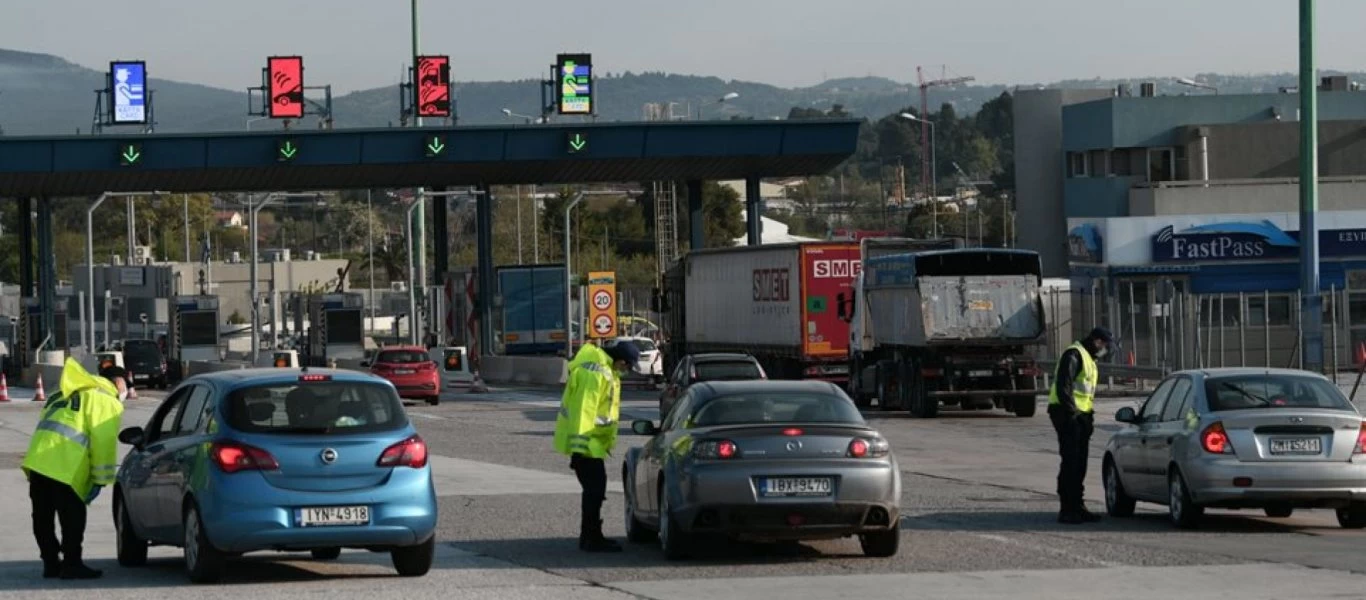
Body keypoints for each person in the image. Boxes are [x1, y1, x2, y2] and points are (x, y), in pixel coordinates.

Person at [23, 358, 126, 579]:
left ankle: (50, 563)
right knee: (72, 518)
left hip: (38, 461)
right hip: (66, 465)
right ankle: (72, 563)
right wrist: (100, 479)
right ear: (118, 383)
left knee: (42, 516)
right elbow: (103, 441)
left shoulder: (63, 393)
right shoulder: (105, 400)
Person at [553, 340, 640, 553]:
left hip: (592, 445)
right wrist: (579, 450)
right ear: (620, 360)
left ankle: (590, 535)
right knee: (594, 490)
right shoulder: (595, 373)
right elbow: (584, 410)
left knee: (595, 490)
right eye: (627, 366)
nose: (627, 370)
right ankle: (591, 538)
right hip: (587, 445)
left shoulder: (604, 369)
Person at [1048, 327, 1113, 525]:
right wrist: (1073, 415)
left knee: (1080, 462)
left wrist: (1087, 416)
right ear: (1096, 341)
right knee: (1071, 462)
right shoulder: (1074, 355)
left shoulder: (1088, 358)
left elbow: (1084, 394)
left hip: (1081, 416)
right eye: (1104, 345)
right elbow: (1063, 387)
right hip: (1066, 414)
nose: (1105, 350)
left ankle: (1078, 505)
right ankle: (1067, 509)